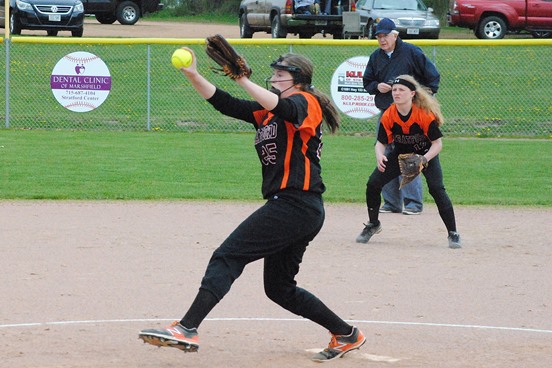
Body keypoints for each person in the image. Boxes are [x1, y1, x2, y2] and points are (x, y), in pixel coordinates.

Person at [139, 51, 366, 362]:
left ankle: (187, 327)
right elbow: (226, 103)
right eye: (272, 74)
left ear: (297, 80)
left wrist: (243, 78)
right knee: (279, 288)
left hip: (294, 203)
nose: (273, 79)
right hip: (298, 209)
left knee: (228, 256)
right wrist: (193, 74)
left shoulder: (305, 103)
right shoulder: (268, 113)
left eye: (280, 75)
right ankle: (346, 334)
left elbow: (284, 106)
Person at [355, 74, 461, 249]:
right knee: (373, 184)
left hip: (426, 155)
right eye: (394, 90)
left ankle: (453, 233)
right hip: (400, 155)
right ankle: (373, 224)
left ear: (412, 93)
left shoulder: (424, 114)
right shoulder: (389, 114)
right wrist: (380, 155)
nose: (396, 93)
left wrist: (423, 159)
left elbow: (437, 144)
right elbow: (381, 142)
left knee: (437, 189)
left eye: (401, 90)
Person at [363, 18, 440, 216]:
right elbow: (367, 82)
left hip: (411, 113)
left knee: (409, 154)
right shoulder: (375, 57)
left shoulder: (411, 52)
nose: (382, 39)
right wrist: (375, 87)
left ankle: (413, 203)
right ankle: (392, 203)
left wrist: (424, 98)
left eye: (385, 35)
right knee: (386, 154)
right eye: (379, 36)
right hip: (388, 113)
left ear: (395, 35)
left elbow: (432, 77)